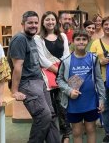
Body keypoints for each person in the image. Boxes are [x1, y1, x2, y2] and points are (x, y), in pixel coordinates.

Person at [8, 11, 60, 143]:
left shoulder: (33, 38)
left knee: (51, 116)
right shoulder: (19, 39)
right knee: (44, 116)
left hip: (39, 81)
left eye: (36, 23)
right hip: (27, 83)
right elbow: (17, 67)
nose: (33, 25)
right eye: (30, 23)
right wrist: (14, 91)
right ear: (23, 24)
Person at [57, 30, 105, 143]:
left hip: (91, 102)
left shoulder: (93, 58)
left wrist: (102, 99)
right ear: (73, 41)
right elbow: (59, 79)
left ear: (88, 41)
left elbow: (99, 79)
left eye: (84, 39)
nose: (81, 42)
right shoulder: (66, 60)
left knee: (91, 129)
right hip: (74, 104)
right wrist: (69, 91)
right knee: (77, 132)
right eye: (78, 39)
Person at [35, 11, 71, 142]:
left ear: (57, 21)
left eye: (52, 20)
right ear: (43, 22)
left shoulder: (62, 36)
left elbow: (67, 54)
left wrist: (63, 72)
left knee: (63, 106)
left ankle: (66, 135)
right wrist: (58, 71)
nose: (50, 22)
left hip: (63, 73)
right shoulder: (38, 38)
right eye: (47, 20)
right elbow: (42, 59)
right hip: (47, 75)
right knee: (50, 109)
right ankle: (51, 137)